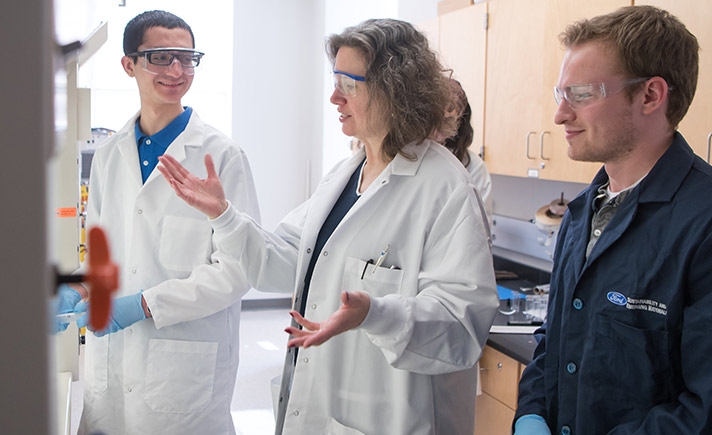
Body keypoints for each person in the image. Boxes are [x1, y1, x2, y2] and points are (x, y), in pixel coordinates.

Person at [158, 18, 498, 435]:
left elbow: (462, 325)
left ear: (395, 89)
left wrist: (376, 313)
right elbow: (281, 262)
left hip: (393, 418)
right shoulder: (345, 174)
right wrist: (224, 215)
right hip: (321, 406)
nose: (335, 97)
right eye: (336, 81)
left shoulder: (445, 188)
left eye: (349, 84)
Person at [514, 5, 712, 435]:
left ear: (651, 96)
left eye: (580, 94)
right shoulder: (582, 213)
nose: (560, 114)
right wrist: (531, 414)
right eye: (560, 95)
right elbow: (555, 344)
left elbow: (710, 412)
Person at [61, 10, 261, 435]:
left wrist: (144, 305)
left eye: (187, 58)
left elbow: (240, 269)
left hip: (183, 379)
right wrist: (75, 287)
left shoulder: (221, 156)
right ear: (129, 64)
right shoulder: (110, 155)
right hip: (110, 375)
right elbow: (104, 255)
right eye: (160, 57)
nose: (176, 70)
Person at [434, 78, 493, 223]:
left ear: (459, 122)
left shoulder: (473, 167)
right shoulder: (406, 156)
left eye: (447, 121)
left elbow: (477, 232)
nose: (437, 133)